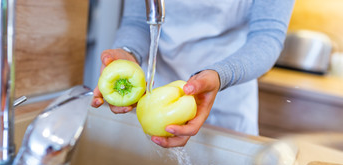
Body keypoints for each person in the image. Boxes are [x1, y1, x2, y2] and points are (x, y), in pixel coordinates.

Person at [91, 0, 295, 148]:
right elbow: (138, 22)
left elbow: (267, 36)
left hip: (229, 100)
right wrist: (128, 51)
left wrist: (220, 75)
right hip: (156, 97)